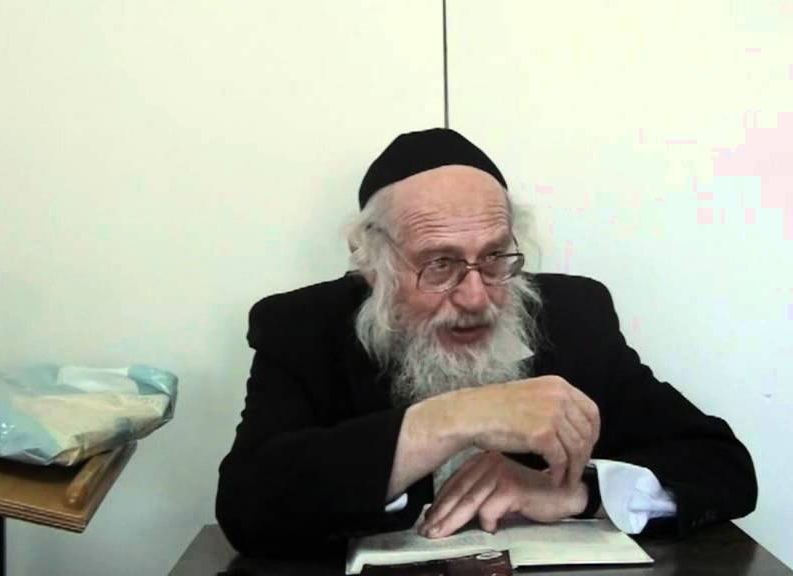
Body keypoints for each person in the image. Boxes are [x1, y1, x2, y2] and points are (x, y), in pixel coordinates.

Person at [216, 128, 757, 558]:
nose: (476, 297)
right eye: (439, 264)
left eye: (495, 257)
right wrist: (454, 418)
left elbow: (723, 467)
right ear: (375, 265)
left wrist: (572, 492)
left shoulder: (574, 317)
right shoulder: (302, 327)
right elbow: (249, 505)